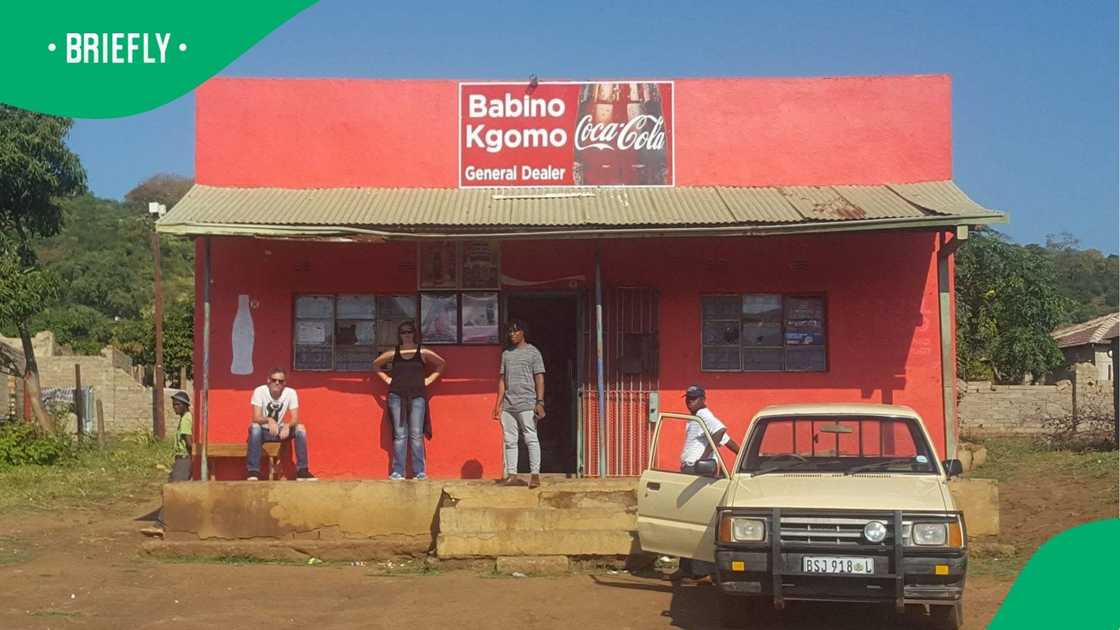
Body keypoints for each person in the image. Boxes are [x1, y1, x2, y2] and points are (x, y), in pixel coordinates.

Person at [670, 384, 740, 582]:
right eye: (688, 398)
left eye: (693, 398)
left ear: (703, 399)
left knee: (693, 519)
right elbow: (726, 440)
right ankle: (689, 568)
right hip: (692, 469)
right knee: (689, 518)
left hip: (698, 470)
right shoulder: (698, 418)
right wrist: (743, 455)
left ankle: (699, 571)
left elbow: (720, 430)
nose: (689, 401)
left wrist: (705, 454)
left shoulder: (704, 415)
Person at [372, 320, 447, 480]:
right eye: (403, 332)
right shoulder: (394, 352)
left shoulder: (422, 352)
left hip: (417, 395)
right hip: (396, 396)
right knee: (400, 435)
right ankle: (398, 471)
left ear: (414, 333)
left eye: (409, 332)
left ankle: (419, 471)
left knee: (416, 435)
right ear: (399, 335)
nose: (406, 335)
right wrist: (387, 379)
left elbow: (441, 364)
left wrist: (428, 380)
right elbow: (376, 365)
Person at [492, 320, 546, 488]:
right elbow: (502, 380)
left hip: (527, 403)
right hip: (509, 405)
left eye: (516, 331)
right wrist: (498, 404)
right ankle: (512, 475)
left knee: (531, 438)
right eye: (510, 332)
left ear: (523, 332)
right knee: (510, 440)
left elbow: (539, 377)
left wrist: (540, 402)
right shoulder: (506, 354)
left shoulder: (533, 352)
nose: (512, 334)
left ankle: (535, 475)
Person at [141, 390, 193, 537]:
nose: (174, 407)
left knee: (172, 491)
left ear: (185, 405)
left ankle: (161, 524)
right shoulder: (185, 417)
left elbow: (189, 441)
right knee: (171, 490)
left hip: (184, 459)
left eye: (177, 405)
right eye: (173, 405)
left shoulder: (186, 419)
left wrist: (190, 458)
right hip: (181, 458)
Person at [247, 368, 315, 480]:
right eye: (274, 380)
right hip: (263, 431)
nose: (277, 383)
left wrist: (287, 425)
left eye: (281, 381)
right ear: (268, 380)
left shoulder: (290, 393)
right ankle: (253, 471)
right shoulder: (259, 391)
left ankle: (302, 470)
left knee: (300, 428)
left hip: (280, 431)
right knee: (255, 428)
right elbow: (256, 417)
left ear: (285, 383)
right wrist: (269, 420)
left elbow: (295, 418)